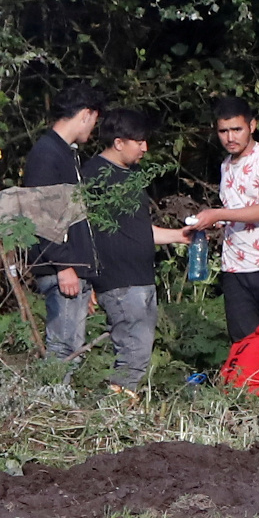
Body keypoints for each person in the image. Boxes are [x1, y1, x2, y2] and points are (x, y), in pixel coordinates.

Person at [81, 108, 190, 394]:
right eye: (139, 141)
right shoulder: (93, 175)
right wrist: (86, 277)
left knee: (139, 352)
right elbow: (82, 230)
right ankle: (115, 413)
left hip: (142, 278)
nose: (145, 147)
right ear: (119, 143)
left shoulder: (134, 175)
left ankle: (121, 409)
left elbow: (139, 231)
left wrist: (180, 236)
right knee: (132, 352)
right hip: (118, 280)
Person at [186, 97, 259, 342]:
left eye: (236, 129)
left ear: (252, 126)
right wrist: (216, 221)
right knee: (244, 346)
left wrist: (218, 214)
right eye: (223, 131)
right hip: (236, 268)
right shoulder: (226, 165)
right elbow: (238, 210)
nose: (230, 138)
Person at [23, 82, 106, 360]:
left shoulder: (66, 153)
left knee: (73, 347)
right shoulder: (47, 153)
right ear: (86, 114)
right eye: (94, 119)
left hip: (73, 265)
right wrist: (63, 265)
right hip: (61, 266)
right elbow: (41, 213)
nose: (93, 128)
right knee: (63, 348)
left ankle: (60, 400)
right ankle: (50, 401)